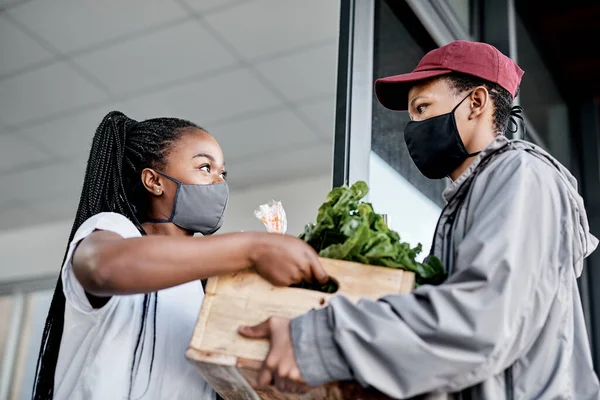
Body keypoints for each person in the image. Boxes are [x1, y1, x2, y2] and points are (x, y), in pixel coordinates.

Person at [240, 40, 600, 399]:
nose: (413, 127)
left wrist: (319, 339)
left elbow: (481, 321)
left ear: (476, 102)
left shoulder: (521, 174)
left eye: (422, 108)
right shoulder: (470, 198)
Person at [31, 111, 328, 400]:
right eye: (205, 168)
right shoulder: (112, 229)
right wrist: (253, 249)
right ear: (154, 181)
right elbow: (102, 268)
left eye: (222, 173)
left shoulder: (201, 284)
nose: (219, 183)